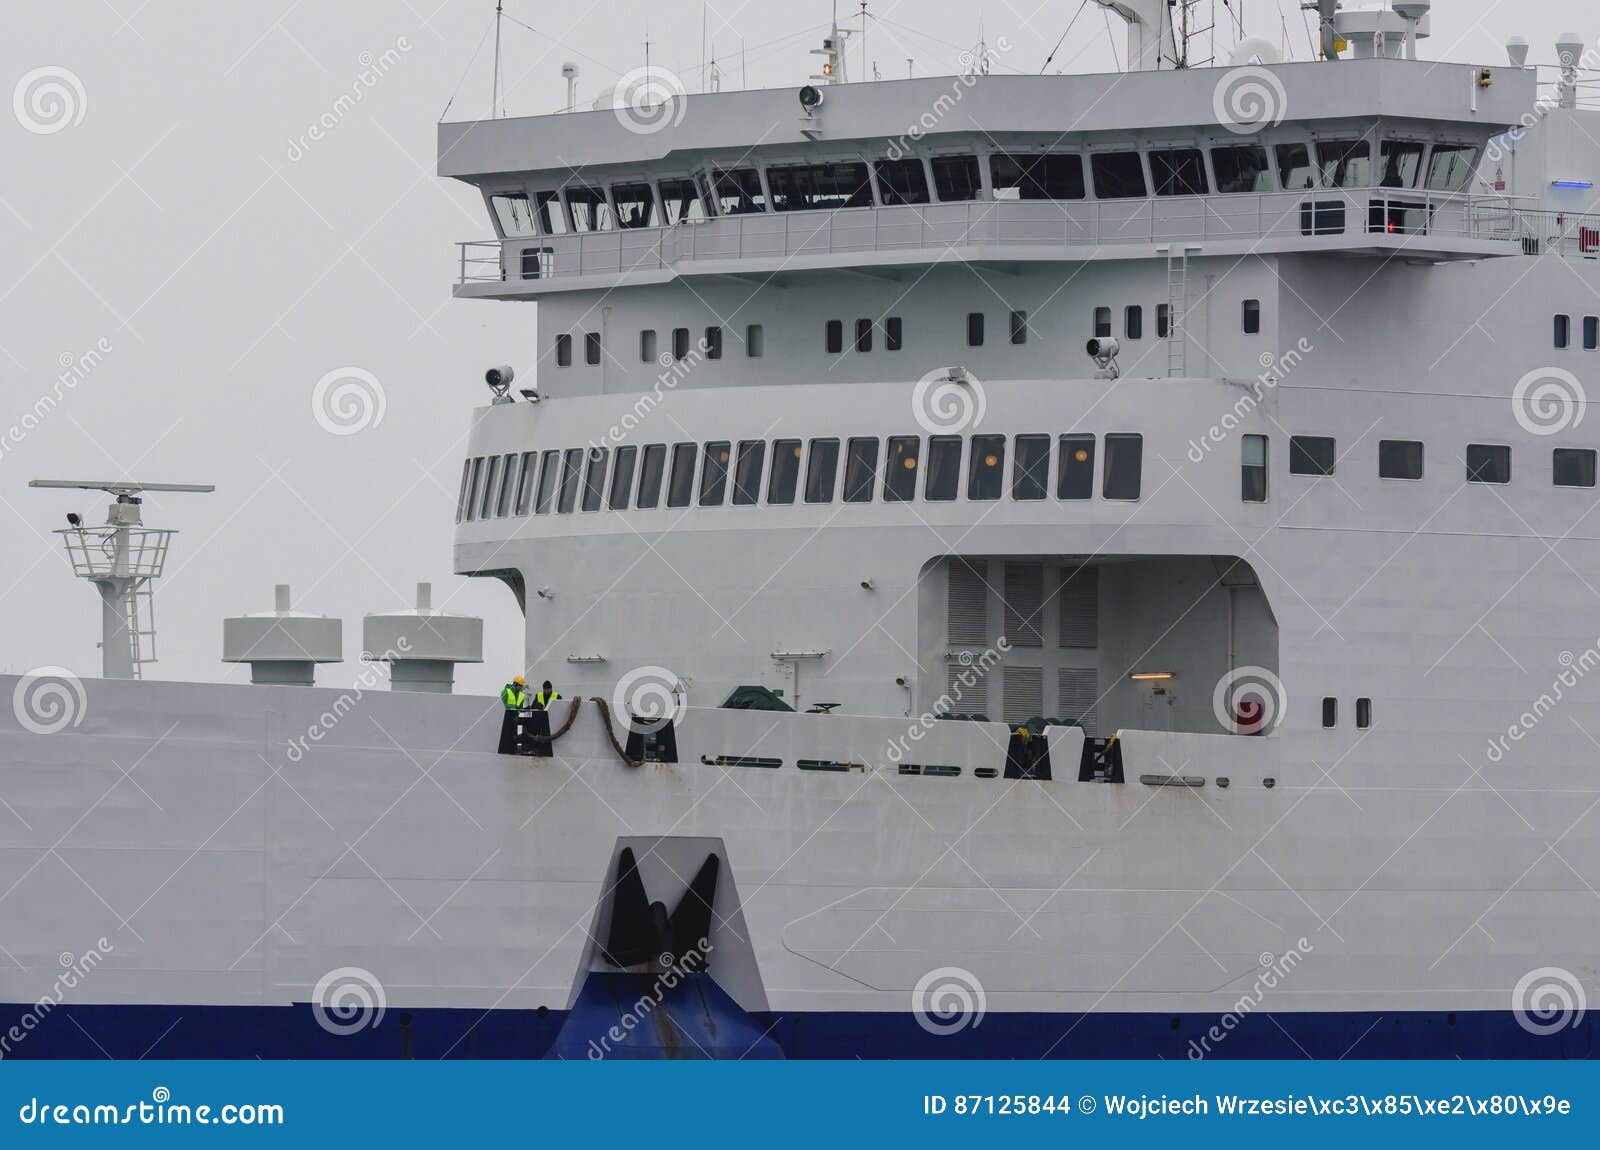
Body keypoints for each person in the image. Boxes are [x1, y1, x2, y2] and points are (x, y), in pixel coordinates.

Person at [497, 675, 527, 755]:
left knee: (513, 736)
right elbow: (504, 704)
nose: (521, 688)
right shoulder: (506, 691)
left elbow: (520, 708)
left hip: (515, 718)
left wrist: (525, 709)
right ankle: (505, 750)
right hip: (506, 717)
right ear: (515, 684)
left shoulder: (521, 695)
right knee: (506, 735)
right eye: (520, 686)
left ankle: (512, 750)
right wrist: (515, 707)